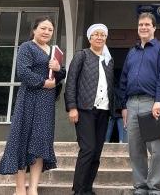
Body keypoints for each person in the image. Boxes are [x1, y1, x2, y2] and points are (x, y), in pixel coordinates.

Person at [0, 16, 66, 195]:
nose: (46, 32)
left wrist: (58, 69)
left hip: (46, 103)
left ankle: (33, 188)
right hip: (29, 99)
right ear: (34, 30)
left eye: (50, 29)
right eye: (43, 28)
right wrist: (43, 82)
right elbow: (23, 71)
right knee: (22, 141)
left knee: (40, 143)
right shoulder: (27, 47)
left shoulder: (53, 51)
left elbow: (59, 75)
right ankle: (20, 188)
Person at [118, 12, 160, 195]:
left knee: (157, 149)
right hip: (132, 104)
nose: (143, 27)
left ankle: (155, 188)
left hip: (153, 103)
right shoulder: (132, 51)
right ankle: (140, 187)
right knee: (135, 149)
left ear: (154, 28)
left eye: (147, 24)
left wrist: (159, 101)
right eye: (141, 24)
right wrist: (123, 106)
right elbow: (123, 79)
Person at [65, 23, 115, 195]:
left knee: (96, 153)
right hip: (85, 109)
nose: (99, 37)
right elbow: (71, 82)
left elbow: (110, 86)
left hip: (103, 111)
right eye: (96, 34)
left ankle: (87, 188)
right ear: (89, 38)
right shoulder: (82, 56)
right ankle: (78, 190)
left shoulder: (109, 60)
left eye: (103, 35)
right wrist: (72, 107)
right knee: (88, 149)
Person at [105, 69, 127, 143]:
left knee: (111, 123)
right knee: (121, 123)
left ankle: (106, 141)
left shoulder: (109, 86)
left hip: (112, 109)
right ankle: (121, 141)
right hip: (119, 108)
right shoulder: (120, 87)